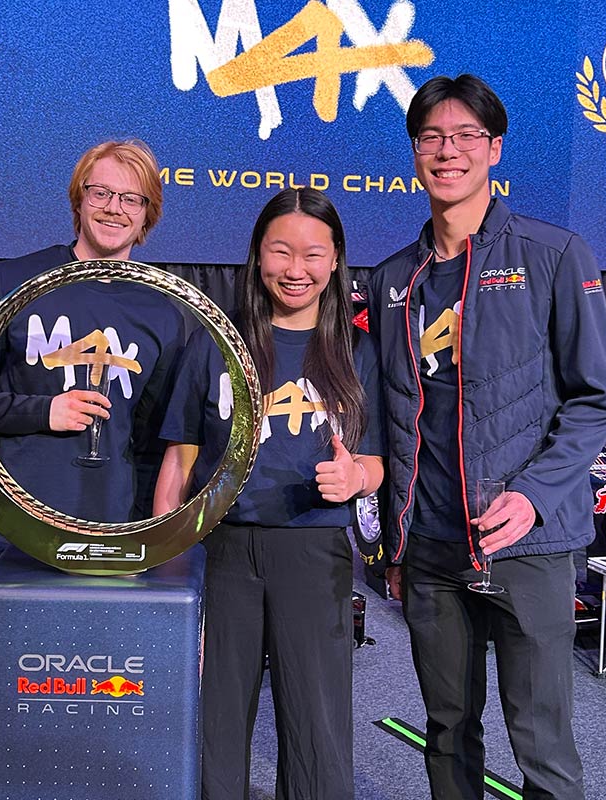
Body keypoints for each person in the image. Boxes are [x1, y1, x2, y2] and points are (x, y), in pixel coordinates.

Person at [367, 74, 606, 800]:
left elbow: (596, 398)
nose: (447, 151)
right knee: (447, 731)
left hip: (526, 545)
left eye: (465, 137)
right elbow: (391, 418)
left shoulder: (552, 253)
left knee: (541, 742)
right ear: (415, 153)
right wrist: (395, 541)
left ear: (495, 150)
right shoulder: (395, 280)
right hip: (431, 551)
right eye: (431, 138)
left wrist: (534, 498)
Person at [0, 139, 184, 800]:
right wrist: (44, 411)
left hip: (103, 553)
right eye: (101, 192)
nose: (114, 208)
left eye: (131, 198)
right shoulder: (15, 282)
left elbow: (169, 440)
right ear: (79, 198)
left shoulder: (169, 309)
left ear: (148, 214)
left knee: (87, 724)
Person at [154, 188, 384, 800]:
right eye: (281, 251)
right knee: (216, 719)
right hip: (222, 551)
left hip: (315, 555)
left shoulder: (357, 352)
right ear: (258, 256)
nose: (296, 269)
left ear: (335, 261)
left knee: (317, 724)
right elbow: (179, 459)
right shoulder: (216, 345)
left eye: (314, 253)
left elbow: (377, 462)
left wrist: (355, 478)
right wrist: (165, 566)